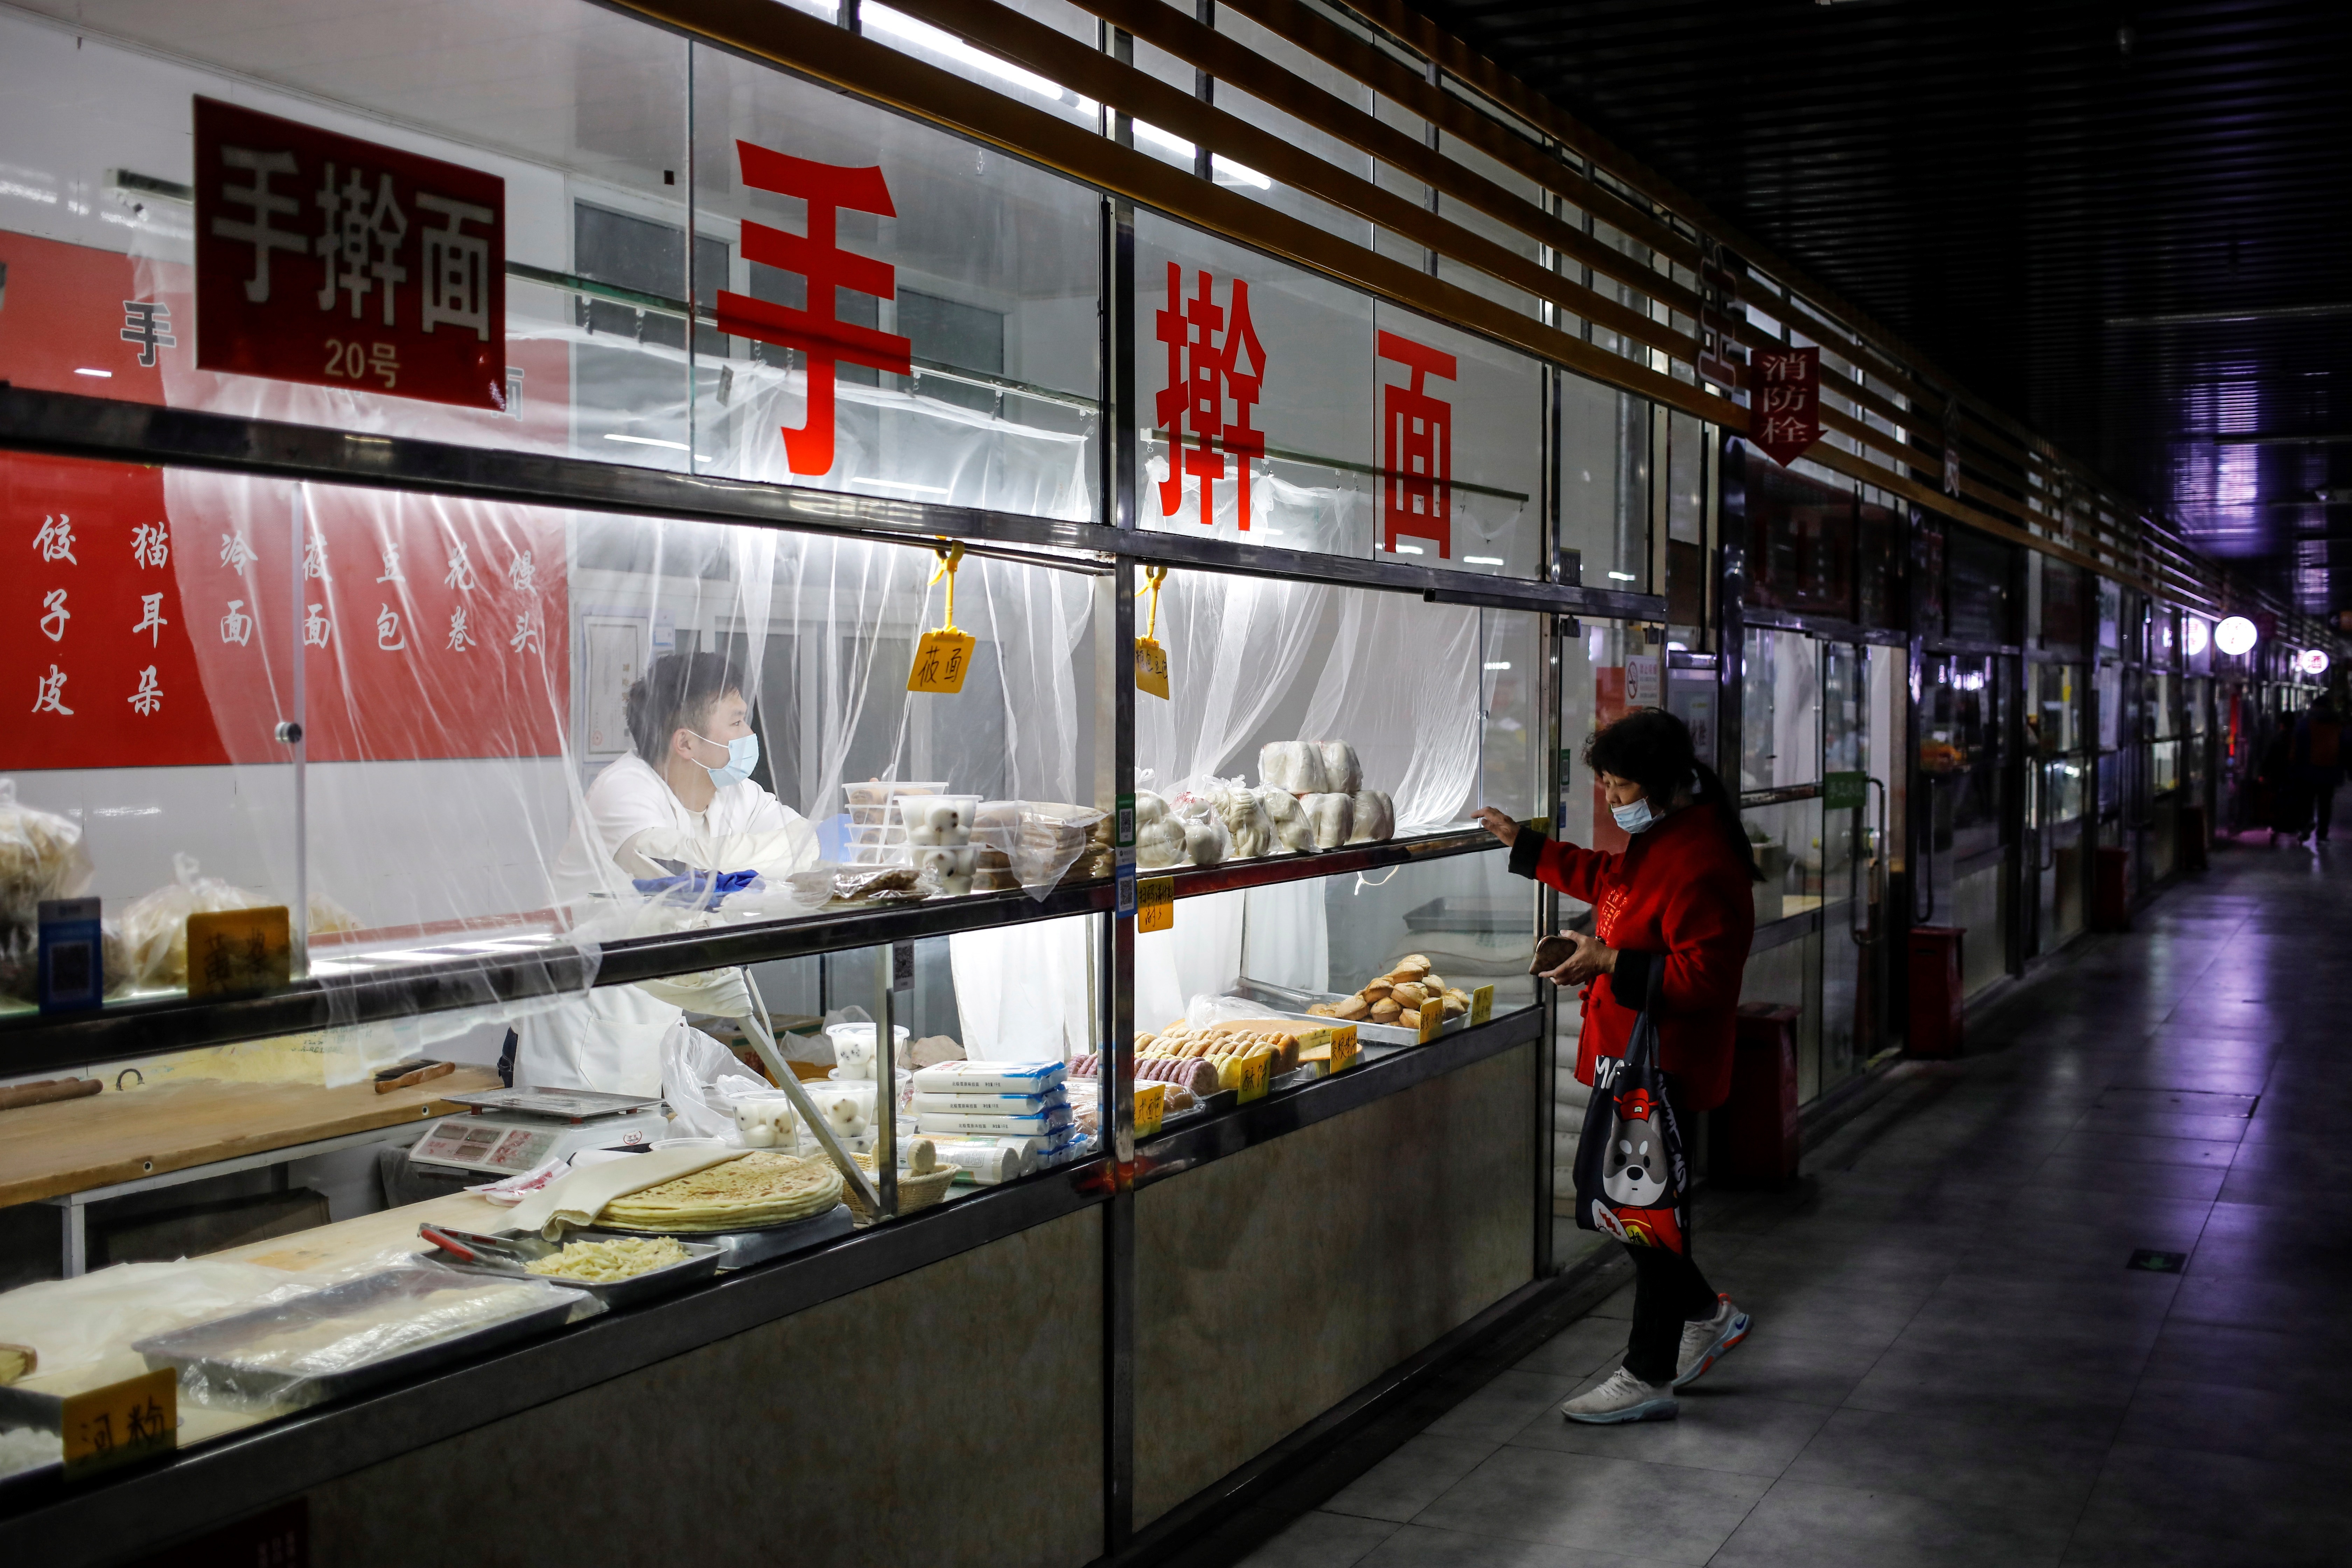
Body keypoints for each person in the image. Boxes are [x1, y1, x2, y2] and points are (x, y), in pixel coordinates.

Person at [1475, 708, 1759, 1425]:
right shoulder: (1664, 835)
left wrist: (1611, 959)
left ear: (1661, 785)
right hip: (1625, 1056)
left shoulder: (1704, 859)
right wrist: (1529, 848)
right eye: (1603, 782)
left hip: (1661, 1067)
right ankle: (1707, 1315)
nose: (1610, 796)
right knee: (1637, 1213)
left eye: (1620, 783)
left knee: (1647, 1215)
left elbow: (1706, 980)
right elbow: (1611, 883)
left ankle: (1648, 1372)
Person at [510, 651, 819, 1096]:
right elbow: (674, 872)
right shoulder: (625, 790)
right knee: (595, 1161)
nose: (750, 735)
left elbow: (804, 846)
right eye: (735, 723)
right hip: (581, 1037)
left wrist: (741, 869)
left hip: (657, 1023)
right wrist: (750, 868)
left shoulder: (737, 795)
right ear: (686, 743)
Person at [2294, 694, 2344, 844]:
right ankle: (2322, 835)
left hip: (2308, 769)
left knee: (2307, 801)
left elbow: (2299, 746)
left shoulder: (2306, 723)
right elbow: (2344, 745)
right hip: (2330, 770)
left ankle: (2307, 825)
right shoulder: (2337, 724)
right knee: (2325, 804)